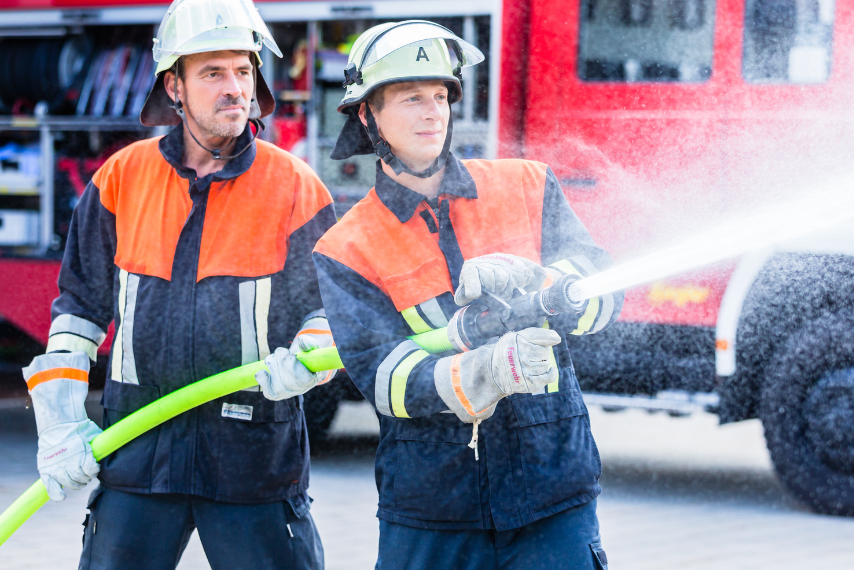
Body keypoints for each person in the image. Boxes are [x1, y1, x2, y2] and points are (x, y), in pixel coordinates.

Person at [21, 0, 337, 567]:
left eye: (243, 70)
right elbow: (78, 309)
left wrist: (311, 359)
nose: (234, 87)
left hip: (253, 464)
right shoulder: (122, 177)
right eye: (212, 72)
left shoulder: (294, 187)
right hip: (138, 458)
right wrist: (61, 419)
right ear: (175, 86)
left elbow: (328, 312)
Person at [310, 21, 622, 570]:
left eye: (440, 96)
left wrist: (543, 283)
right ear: (366, 115)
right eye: (411, 98)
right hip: (433, 511)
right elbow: (383, 377)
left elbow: (604, 293)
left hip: (552, 497)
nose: (433, 112)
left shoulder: (527, 185)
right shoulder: (347, 247)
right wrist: (486, 373)